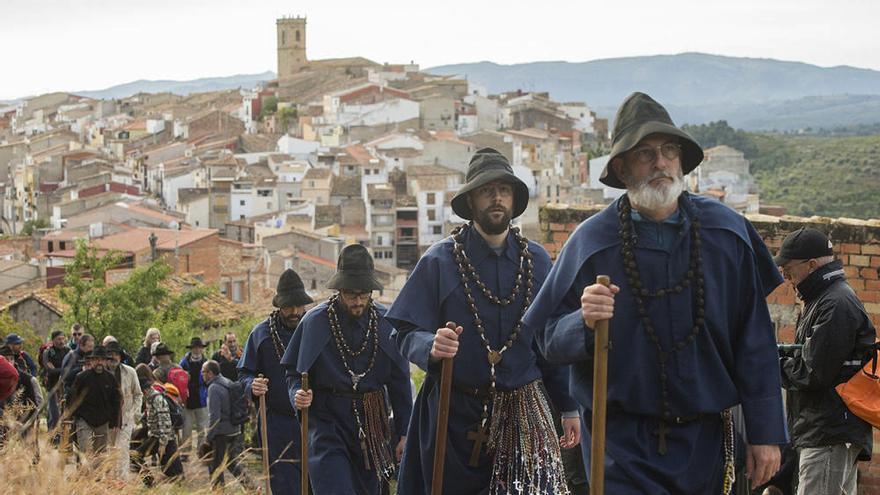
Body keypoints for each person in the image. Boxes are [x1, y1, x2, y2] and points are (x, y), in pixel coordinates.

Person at [523, 92, 788, 494]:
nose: (660, 162)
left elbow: (755, 341)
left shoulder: (727, 235)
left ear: (681, 161)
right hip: (620, 450)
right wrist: (583, 321)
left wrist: (765, 430)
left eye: (668, 151)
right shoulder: (592, 243)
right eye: (645, 153)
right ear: (621, 167)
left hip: (708, 443)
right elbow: (546, 340)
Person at [386, 148, 580, 494]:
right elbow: (402, 332)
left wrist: (568, 406)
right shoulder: (440, 261)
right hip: (453, 412)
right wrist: (431, 345)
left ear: (513, 199)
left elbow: (549, 340)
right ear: (471, 201)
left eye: (504, 190)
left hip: (523, 412)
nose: (496, 198)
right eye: (486, 190)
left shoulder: (536, 260)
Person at [284, 244, 413, 494]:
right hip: (327, 421)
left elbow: (400, 383)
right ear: (340, 289)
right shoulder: (315, 323)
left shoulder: (386, 324)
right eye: (351, 294)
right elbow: (293, 374)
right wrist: (297, 394)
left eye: (364, 294)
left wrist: (405, 433)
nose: (357, 301)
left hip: (372, 421)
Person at [775, 227, 875, 494]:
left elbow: (812, 371)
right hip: (824, 430)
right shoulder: (823, 298)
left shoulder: (835, 303)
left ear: (812, 264)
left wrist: (767, 363)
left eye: (788, 269)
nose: (786, 277)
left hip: (830, 432)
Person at [238, 267, 313, 494]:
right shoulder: (260, 334)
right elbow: (244, 372)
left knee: (315, 481)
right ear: (279, 306)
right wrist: (253, 385)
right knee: (283, 483)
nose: (294, 311)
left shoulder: (315, 328)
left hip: (314, 420)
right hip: (276, 423)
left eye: (298, 305)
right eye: (288, 306)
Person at [132, 363, 184, 486]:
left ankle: (151, 483)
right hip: (158, 437)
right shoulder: (150, 399)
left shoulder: (156, 399)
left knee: (174, 474)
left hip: (162, 438)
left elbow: (164, 423)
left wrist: (162, 444)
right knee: (173, 472)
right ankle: (149, 483)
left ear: (144, 389)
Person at [202, 359, 249, 488]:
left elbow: (214, 416)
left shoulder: (214, 388)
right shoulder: (227, 382)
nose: (202, 374)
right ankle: (251, 487)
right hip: (235, 429)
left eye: (203, 372)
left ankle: (218, 490)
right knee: (231, 463)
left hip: (222, 432)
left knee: (215, 465)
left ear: (210, 373)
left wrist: (208, 437)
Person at [71, 346, 122, 463]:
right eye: (96, 359)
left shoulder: (111, 378)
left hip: (103, 421)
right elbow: (72, 398)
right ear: (91, 361)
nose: (99, 362)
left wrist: (115, 421)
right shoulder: (81, 377)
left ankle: (96, 480)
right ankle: (84, 477)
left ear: (105, 361)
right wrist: (74, 417)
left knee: (100, 455)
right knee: (85, 452)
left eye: (102, 359)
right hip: (84, 420)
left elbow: (116, 401)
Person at [105, 340, 143, 478]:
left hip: (126, 418)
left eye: (116, 354)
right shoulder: (100, 374)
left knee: (122, 451)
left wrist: (134, 415)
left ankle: (123, 483)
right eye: (109, 355)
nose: (113, 358)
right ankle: (109, 483)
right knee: (108, 453)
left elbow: (138, 394)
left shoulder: (130, 372)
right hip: (106, 421)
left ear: (120, 357)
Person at [179, 337, 209, 453]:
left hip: (201, 398)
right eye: (195, 348)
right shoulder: (184, 362)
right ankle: (185, 452)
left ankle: (201, 451)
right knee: (187, 428)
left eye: (199, 348)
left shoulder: (206, 363)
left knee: (202, 428)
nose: (197, 350)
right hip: (187, 399)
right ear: (191, 349)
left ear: (202, 349)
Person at [41, 330, 68, 432]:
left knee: (64, 414)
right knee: (54, 414)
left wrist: (58, 369)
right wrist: (64, 369)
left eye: (62, 338)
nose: (61, 341)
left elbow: (72, 368)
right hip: (52, 386)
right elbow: (50, 370)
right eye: (58, 339)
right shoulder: (47, 352)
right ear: (53, 340)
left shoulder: (68, 351)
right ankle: (52, 439)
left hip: (64, 386)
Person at [62, 333, 95, 403]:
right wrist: (81, 368)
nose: (91, 349)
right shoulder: (71, 356)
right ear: (81, 345)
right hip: (71, 394)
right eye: (89, 347)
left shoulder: (89, 357)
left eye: (92, 347)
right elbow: (65, 376)